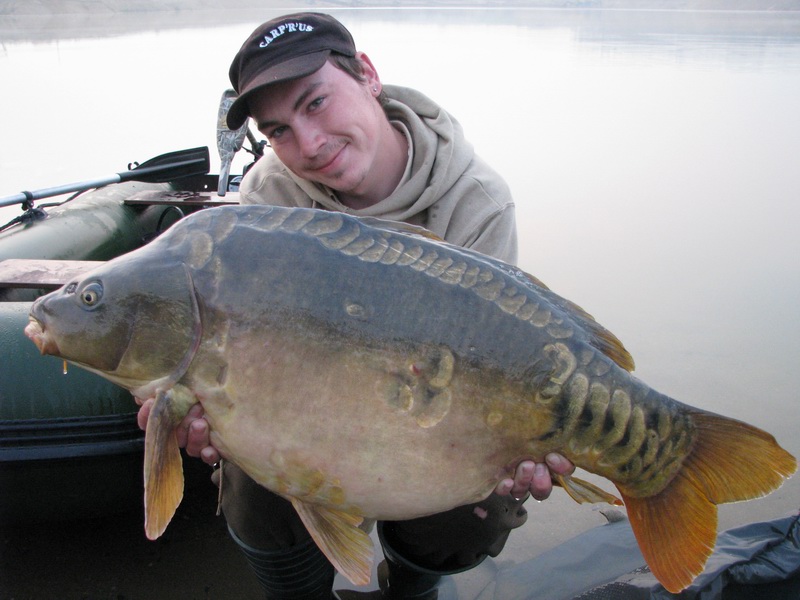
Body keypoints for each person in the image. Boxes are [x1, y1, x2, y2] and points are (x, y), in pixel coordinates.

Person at [138, 12, 576, 600]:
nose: (309, 144)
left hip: (429, 426)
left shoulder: (476, 203)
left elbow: (495, 363)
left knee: (484, 503)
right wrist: (219, 411)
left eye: (316, 103)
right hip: (314, 411)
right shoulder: (269, 196)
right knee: (248, 472)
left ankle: (412, 587)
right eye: (279, 130)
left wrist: (518, 444)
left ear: (367, 75)